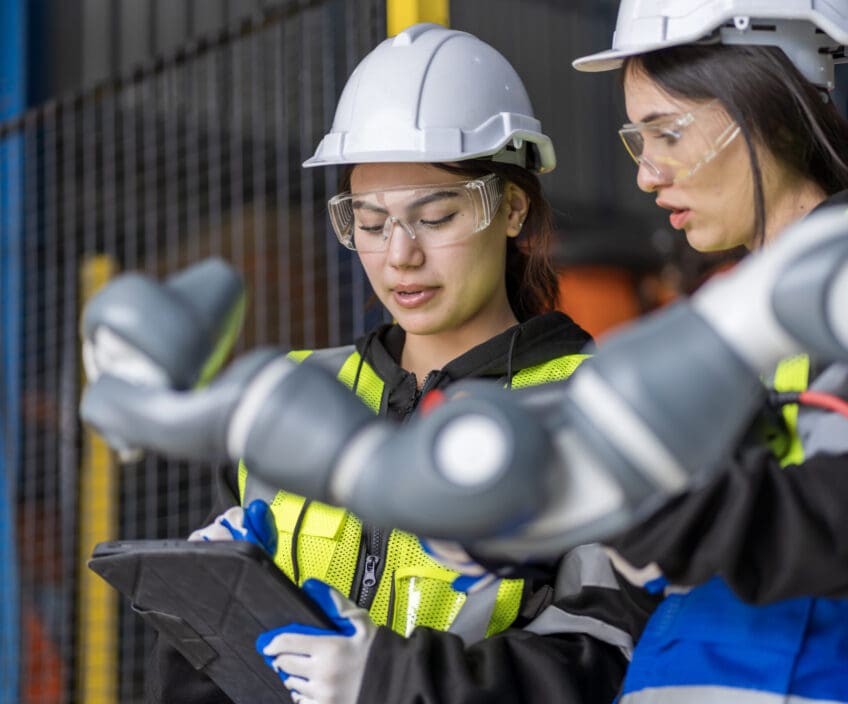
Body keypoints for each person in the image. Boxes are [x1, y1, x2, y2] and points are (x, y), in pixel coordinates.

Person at [147, 23, 651, 704]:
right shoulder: (288, 396)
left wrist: (394, 681)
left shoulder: (595, 408)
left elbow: (602, 659)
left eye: (436, 217)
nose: (399, 255)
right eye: (371, 221)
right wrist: (204, 608)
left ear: (512, 210)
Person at [569, 1, 848, 701]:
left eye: (668, 133)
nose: (647, 175)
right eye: (640, 140)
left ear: (775, 110)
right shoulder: (710, 322)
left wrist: (652, 509)